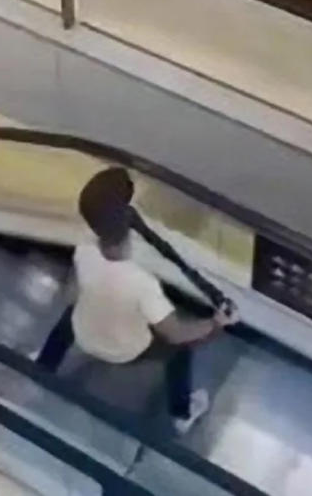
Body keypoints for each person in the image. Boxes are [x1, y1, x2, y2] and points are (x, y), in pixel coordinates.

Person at [34, 167, 238, 433]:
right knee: (179, 351)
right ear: (127, 230)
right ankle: (182, 412)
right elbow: (177, 334)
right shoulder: (142, 283)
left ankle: (41, 368)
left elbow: (70, 295)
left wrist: (102, 295)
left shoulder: (83, 251)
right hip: (124, 350)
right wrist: (216, 323)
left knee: (71, 317)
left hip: (84, 334)